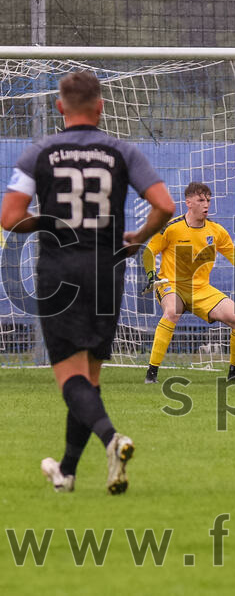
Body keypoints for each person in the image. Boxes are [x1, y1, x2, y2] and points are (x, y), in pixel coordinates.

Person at [1, 70, 176, 494]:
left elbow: (9, 217)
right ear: (100, 106)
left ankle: (112, 439)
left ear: (59, 107)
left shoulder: (40, 151)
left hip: (60, 272)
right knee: (89, 379)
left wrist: (49, 221)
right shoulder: (122, 151)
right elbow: (165, 205)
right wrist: (139, 237)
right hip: (107, 270)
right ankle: (66, 473)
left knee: (70, 377)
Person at [141, 181, 235, 384]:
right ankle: (151, 374)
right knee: (172, 311)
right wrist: (152, 276)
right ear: (188, 202)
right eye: (201, 200)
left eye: (208, 201)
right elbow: (149, 251)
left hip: (201, 290)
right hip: (172, 285)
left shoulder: (216, 231)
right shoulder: (171, 228)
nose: (206, 204)